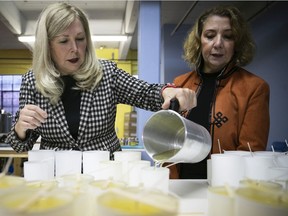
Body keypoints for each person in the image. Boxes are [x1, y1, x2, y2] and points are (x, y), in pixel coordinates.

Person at [5, 2, 196, 157]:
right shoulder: (32, 81)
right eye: (63, 41)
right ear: (47, 45)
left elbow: (144, 92)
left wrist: (168, 91)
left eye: (80, 38)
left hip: (104, 175)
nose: (75, 48)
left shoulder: (105, 73)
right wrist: (21, 127)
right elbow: (21, 146)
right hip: (57, 178)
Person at [170, 6, 270, 179]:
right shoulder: (180, 84)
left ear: (237, 43)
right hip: (180, 188)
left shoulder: (255, 88)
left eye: (228, 36)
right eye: (210, 35)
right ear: (199, 40)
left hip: (226, 190)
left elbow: (250, 153)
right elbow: (169, 143)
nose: (218, 43)